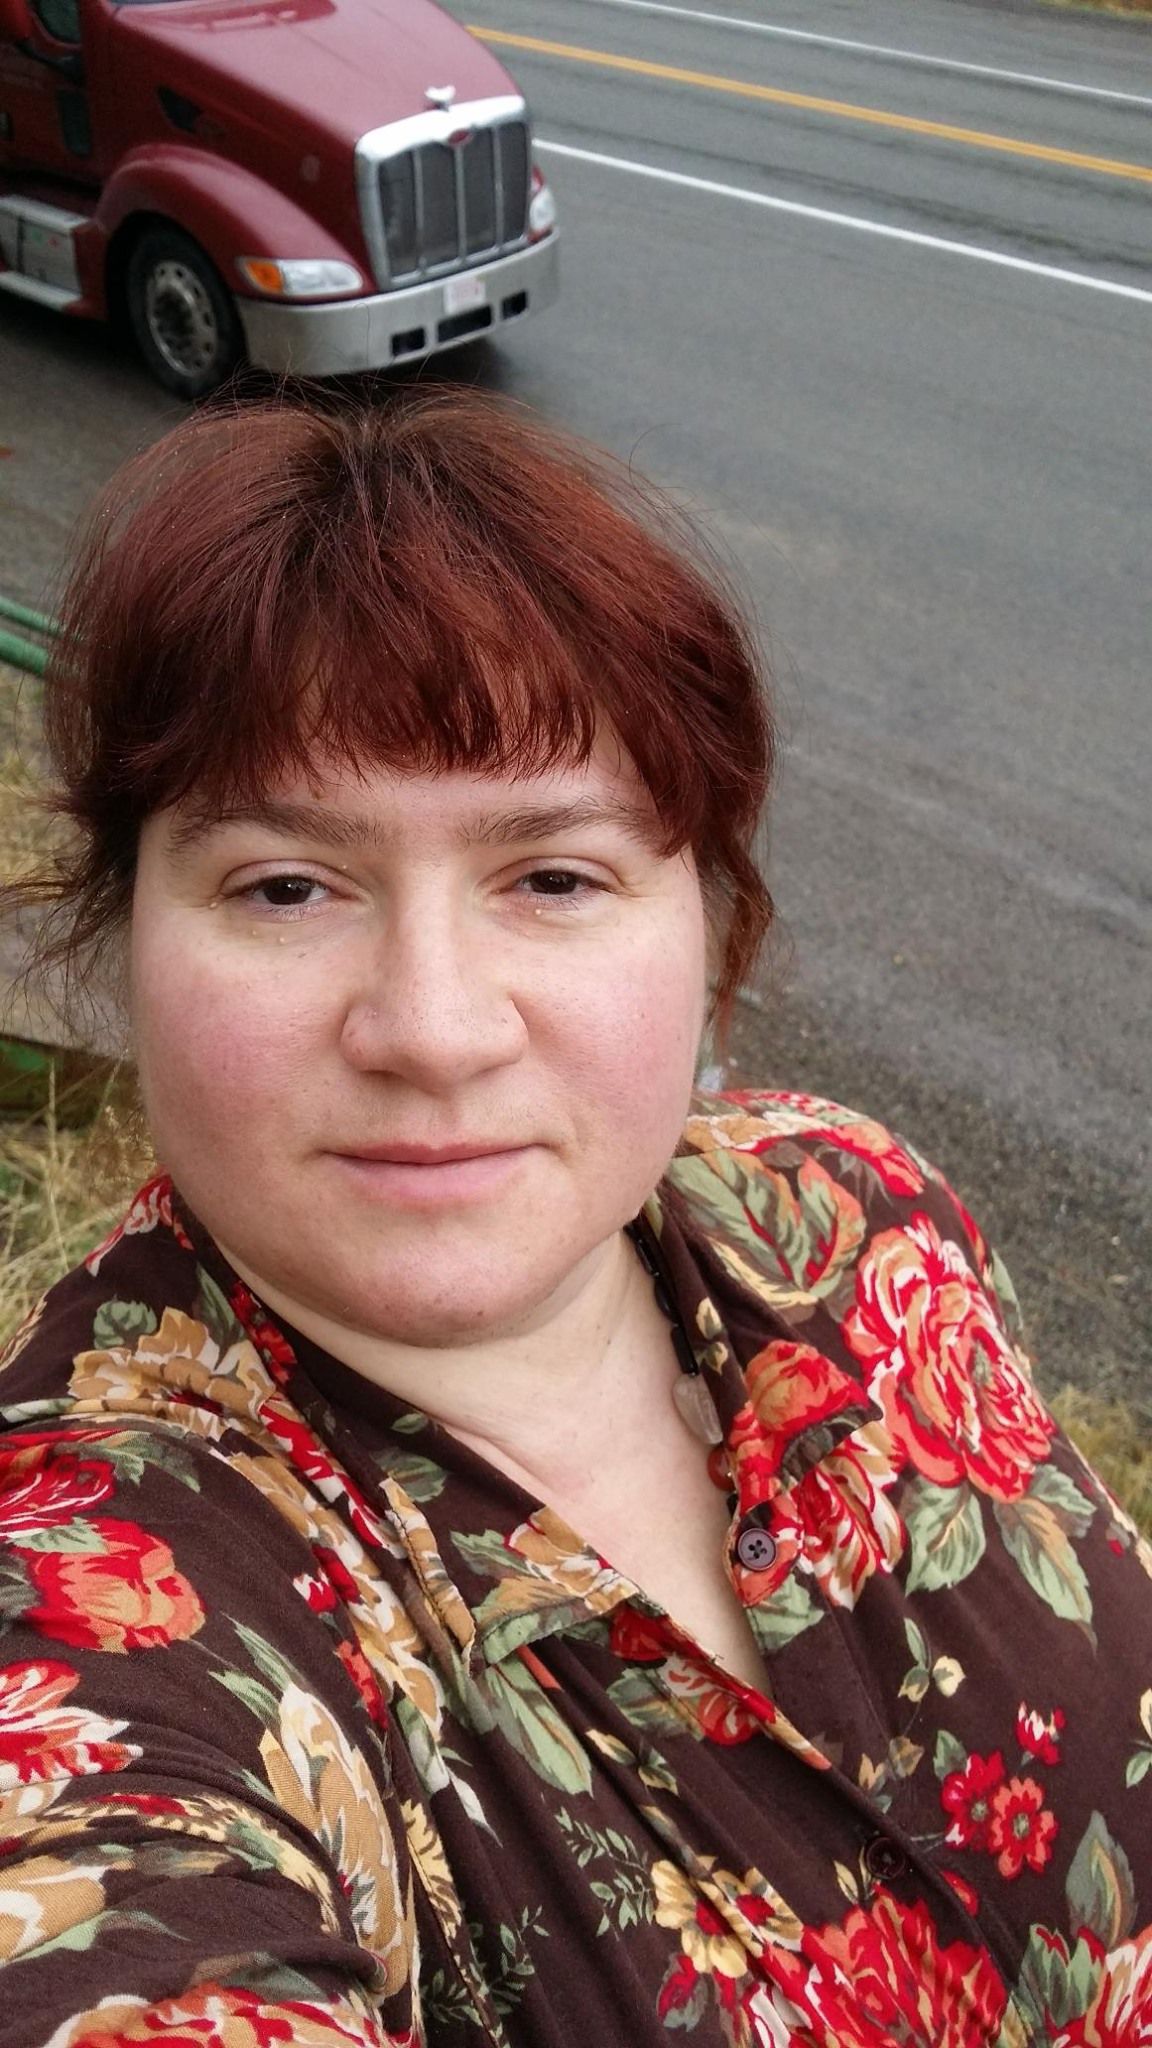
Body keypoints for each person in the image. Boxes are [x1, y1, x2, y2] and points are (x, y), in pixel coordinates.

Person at [0, 391, 1148, 2048]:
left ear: (706, 923)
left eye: (552, 875)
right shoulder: (104, 1583)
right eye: (286, 886)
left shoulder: (850, 1208)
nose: (436, 1026)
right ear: (129, 943)